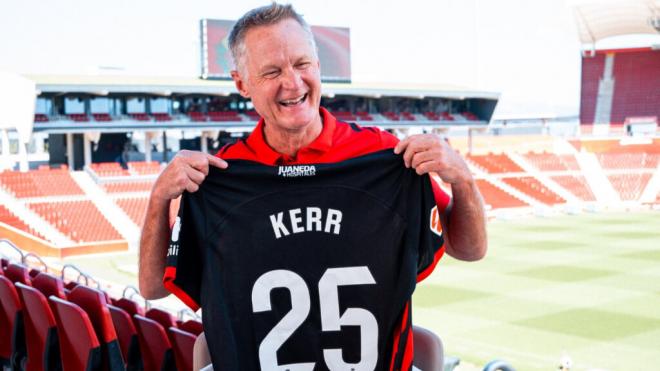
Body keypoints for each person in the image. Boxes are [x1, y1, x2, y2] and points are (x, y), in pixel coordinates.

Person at [139, 3, 486, 370]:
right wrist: (159, 197)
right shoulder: (221, 177)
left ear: (319, 66)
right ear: (241, 82)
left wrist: (461, 177)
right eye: (272, 71)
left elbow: (469, 250)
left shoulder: (385, 159)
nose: (292, 83)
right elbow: (151, 288)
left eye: (302, 64)